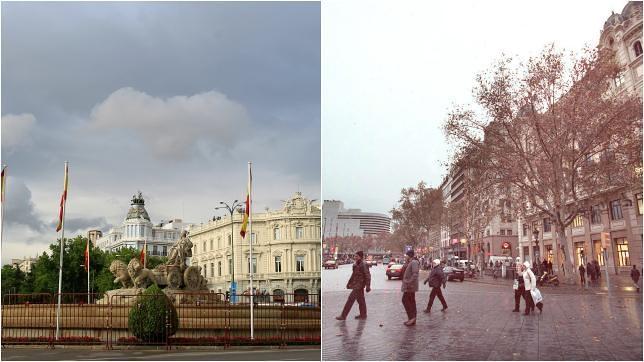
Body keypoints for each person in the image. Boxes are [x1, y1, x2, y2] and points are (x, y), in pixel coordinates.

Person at [336, 251, 371, 320]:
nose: (355, 257)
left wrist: (368, 286)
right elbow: (353, 275)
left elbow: (367, 275)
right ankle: (363, 315)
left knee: (350, 299)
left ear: (360, 257)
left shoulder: (364, 264)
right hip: (356, 285)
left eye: (356, 256)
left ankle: (343, 316)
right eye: (355, 256)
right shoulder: (355, 265)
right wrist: (349, 283)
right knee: (361, 300)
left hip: (360, 285)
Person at [401, 250, 420, 326]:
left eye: (406, 255)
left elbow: (415, 274)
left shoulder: (414, 262)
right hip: (410, 285)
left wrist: (409, 283)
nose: (405, 256)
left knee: (405, 300)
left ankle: (412, 318)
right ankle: (412, 318)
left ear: (409, 255)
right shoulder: (411, 262)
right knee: (411, 301)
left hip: (410, 286)